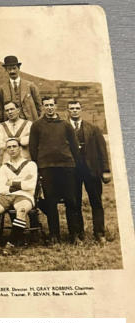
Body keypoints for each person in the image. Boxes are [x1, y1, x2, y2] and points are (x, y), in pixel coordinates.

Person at [29, 96, 81, 243]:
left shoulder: (65, 125)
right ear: (43, 107)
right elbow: (33, 148)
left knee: (71, 201)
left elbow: (74, 147)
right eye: (46, 105)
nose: (49, 108)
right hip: (47, 168)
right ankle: (54, 235)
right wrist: (37, 168)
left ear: (56, 106)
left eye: (52, 105)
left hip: (66, 167)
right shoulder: (37, 125)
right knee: (51, 201)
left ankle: (74, 234)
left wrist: (76, 167)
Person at [0, 137, 38, 255]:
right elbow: (1, 188)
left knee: (21, 210)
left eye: (14, 146)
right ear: (6, 150)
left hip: (24, 196)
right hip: (6, 196)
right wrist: (21, 183)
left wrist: (12, 182)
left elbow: (31, 185)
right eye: (9, 147)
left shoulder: (31, 164)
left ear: (20, 148)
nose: (12, 149)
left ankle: (10, 244)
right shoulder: (4, 167)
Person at [67, 100, 112, 242]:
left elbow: (102, 150)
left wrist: (105, 170)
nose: (74, 110)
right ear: (67, 110)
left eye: (77, 108)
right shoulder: (63, 128)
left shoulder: (93, 128)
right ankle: (77, 234)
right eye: (71, 108)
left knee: (96, 202)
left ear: (81, 109)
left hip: (91, 170)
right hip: (72, 171)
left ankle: (99, 233)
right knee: (74, 203)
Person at [0, 55, 42, 122]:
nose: (12, 71)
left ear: (19, 68)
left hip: (29, 122)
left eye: (14, 68)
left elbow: (39, 106)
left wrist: (36, 119)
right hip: (10, 123)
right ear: (6, 70)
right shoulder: (2, 89)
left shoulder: (30, 85)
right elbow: (0, 109)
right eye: (9, 69)